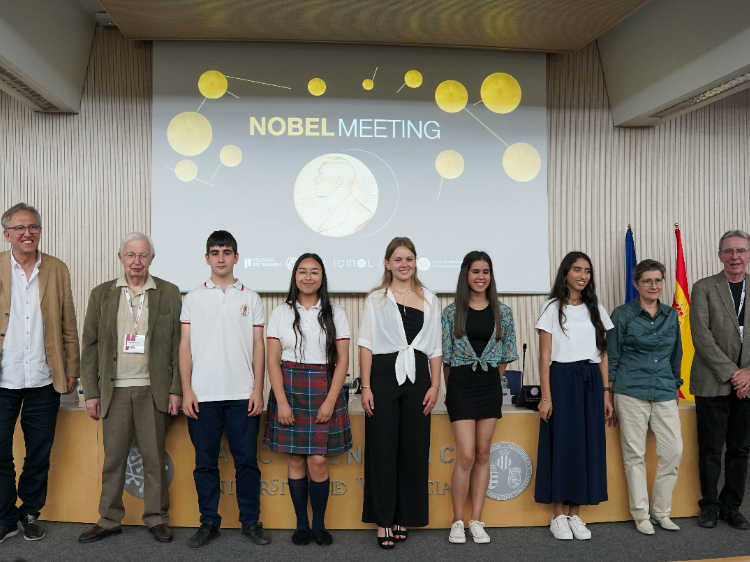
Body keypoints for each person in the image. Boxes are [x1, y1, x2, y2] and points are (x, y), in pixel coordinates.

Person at [79, 232, 182, 544]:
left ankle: (157, 518)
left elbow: (179, 344)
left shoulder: (169, 292)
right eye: (131, 255)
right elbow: (90, 347)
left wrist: (176, 388)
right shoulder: (102, 294)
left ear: (152, 259)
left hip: (154, 389)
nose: (137, 261)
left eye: (143, 255)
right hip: (115, 390)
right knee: (114, 460)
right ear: (120, 257)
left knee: (154, 459)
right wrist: (92, 392)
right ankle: (109, 519)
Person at [179, 230, 270, 547]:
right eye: (215, 252)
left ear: (236, 257)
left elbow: (259, 347)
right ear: (207, 258)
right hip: (203, 396)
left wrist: (258, 389)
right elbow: (185, 346)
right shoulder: (192, 298)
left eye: (226, 252)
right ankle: (208, 522)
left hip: (242, 396)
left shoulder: (251, 298)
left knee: (246, 462)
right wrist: (187, 390)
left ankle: (250, 522)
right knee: (205, 463)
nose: (221, 257)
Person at [0, 203, 79, 543]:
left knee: (39, 453)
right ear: (7, 234)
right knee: (1, 453)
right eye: (19, 228)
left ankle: (29, 512)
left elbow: (68, 323)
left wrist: (72, 368)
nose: (27, 233)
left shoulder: (57, 268)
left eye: (32, 227)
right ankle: (4, 518)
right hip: (4, 379)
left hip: (44, 379)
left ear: (40, 231)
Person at [358, 236, 442, 549]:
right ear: (387, 263)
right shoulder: (376, 299)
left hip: (419, 378)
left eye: (409, 259)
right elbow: (365, 344)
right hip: (382, 376)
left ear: (415, 262)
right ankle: (383, 520)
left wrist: (435, 385)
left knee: (413, 449)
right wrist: (366, 386)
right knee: (381, 449)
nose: (404, 264)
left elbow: (435, 347)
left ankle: (403, 516)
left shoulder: (430, 297)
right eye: (398, 259)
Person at [264, 253, 352, 547]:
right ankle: (302, 525)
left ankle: (319, 525)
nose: (308, 277)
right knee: (295, 459)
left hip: (323, 389)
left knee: (318, 461)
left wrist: (330, 400)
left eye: (314, 272)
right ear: (295, 277)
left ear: (322, 278)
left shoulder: (336, 313)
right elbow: (273, 361)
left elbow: (342, 361)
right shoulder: (280, 313)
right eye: (302, 271)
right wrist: (282, 401)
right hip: (289, 388)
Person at [534, 251, 614, 540]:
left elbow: (603, 355)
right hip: (562, 380)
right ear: (565, 273)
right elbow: (544, 358)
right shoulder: (551, 308)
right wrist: (546, 397)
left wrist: (606, 394)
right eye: (577, 269)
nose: (583, 275)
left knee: (587, 444)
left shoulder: (596, 309)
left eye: (587, 271)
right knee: (562, 443)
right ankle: (557, 515)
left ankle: (575, 515)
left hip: (591, 381)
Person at [441, 251, 518, 544]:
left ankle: (476, 520)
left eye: (486, 271)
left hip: (489, 385)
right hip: (460, 384)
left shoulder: (504, 312)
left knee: (484, 453)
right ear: (465, 275)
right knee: (466, 455)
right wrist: (451, 391)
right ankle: (457, 521)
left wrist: (492, 379)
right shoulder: (451, 312)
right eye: (475, 271)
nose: (481, 276)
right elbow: (446, 358)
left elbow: (506, 355)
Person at [608, 259, 683, 534]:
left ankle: (661, 512)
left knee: (673, 451)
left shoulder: (671, 315)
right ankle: (641, 514)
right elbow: (612, 355)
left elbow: (677, 354)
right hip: (630, 391)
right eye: (647, 281)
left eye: (658, 280)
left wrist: (675, 384)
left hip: (664, 389)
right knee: (634, 455)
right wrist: (609, 393)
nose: (654, 285)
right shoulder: (622, 314)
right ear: (636, 284)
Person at [690, 230, 750, 530]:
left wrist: (748, 373)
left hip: (749, 384)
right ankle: (710, 506)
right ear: (719, 255)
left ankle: (732, 506)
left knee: (740, 449)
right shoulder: (703, 288)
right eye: (728, 251)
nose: (735, 257)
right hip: (712, 382)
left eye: (740, 251)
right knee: (711, 449)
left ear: (748, 255)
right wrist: (733, 374)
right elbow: (701, 336)